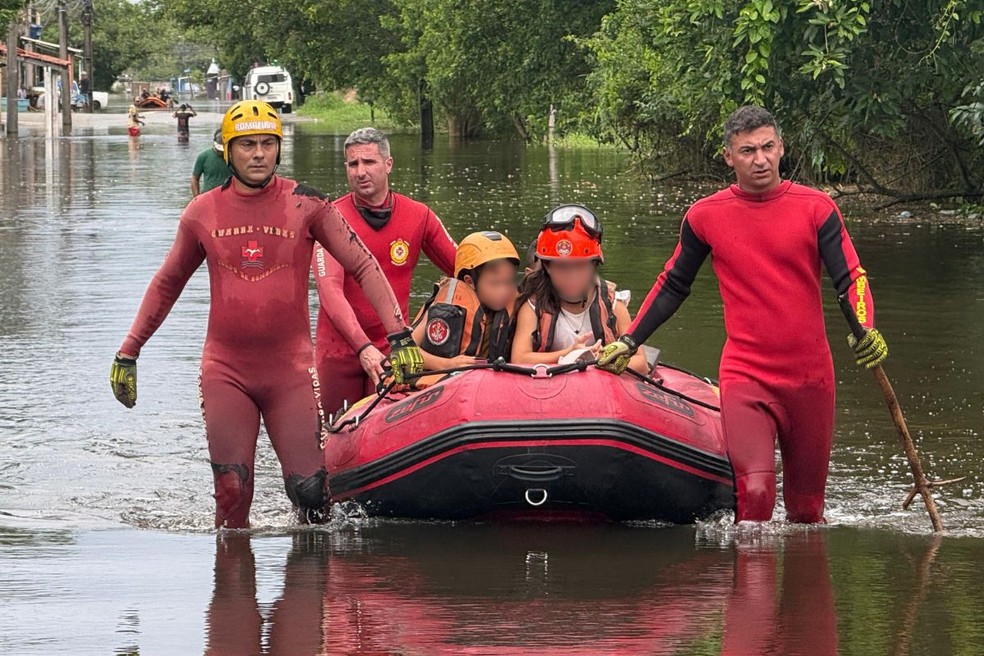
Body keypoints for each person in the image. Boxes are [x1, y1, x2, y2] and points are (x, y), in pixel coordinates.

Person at [109, 100, 424, 529]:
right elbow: (168, 283)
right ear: (228, 151)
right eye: (247, 145)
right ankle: (233, 586)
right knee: (232, 491)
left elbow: (364, 265)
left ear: (278, 149)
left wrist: (400, 336)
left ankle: (315, 587)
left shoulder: (307, 203)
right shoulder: (201, 213)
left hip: (290, 371)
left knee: (311, 495)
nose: (258, 154)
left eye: (266, 144)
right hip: (226, 370)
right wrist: (129, 353)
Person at [597, 105, 889, 524]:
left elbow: (851, 277)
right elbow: (673, 284)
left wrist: (866, 329)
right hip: (746, 373)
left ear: (782, 147)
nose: (761, 159)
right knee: (754, 495)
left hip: (810, 378)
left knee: (807, 513)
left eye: (768, 147)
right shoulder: (705, 216)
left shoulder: (817, 208)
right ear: (728, 157)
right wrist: (630, 340)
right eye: (748, 150)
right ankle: (749, 587)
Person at [311, 127, 457, 413]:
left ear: (388, 164)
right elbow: (329, 291)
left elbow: (467, 269)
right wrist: (362, 347)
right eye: (353, 164)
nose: (360, 171)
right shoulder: (329, 219)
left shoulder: (419, 215)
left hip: (395, 350)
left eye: (369, 162)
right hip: (340, 354)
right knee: (329, 442)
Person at [511, 204, 649, 373]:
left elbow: (641, 363)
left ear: (594, 264)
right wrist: (569, 354)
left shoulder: (613, 304)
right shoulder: (533, 306)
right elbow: (519, 358)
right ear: (547, 267)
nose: (572, 276)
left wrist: (600, 361)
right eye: (561, 267)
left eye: (581, 266)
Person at [412, 231, 520, 370]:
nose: (503, 291)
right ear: (469, 281)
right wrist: (447, 364)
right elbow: (405, 351)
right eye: (494, 283)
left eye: (508, 282)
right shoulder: (446, 303)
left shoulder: (517, 304)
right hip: (445, 381)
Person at [192, 128, 231, 196]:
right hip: (208, 195)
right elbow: (195, 178)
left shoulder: (233, 157)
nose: (220, 152)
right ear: (214, 142)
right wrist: (196, 197)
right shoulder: (203, 156)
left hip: (228, 195)